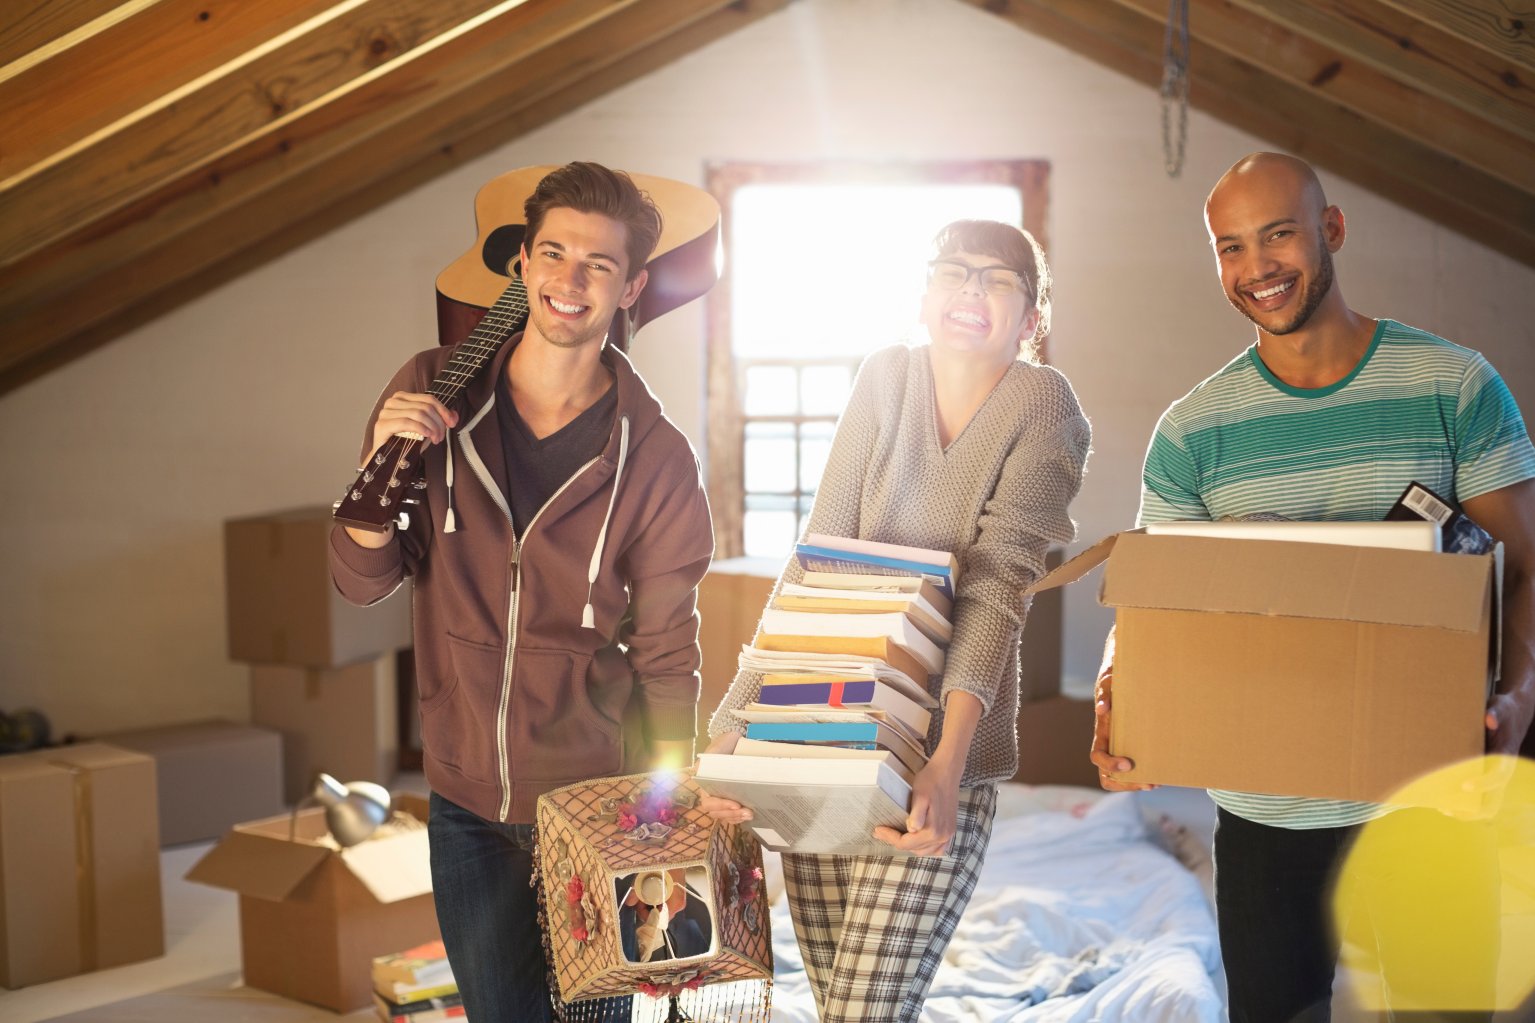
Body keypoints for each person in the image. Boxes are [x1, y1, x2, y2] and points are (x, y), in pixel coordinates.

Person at [1090, 152, 1535, 1022]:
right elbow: (1157, 607)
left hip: (1429, 790)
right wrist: (1120, 694)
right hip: (1265, 807)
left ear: (1330, 230)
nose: (1255, 268)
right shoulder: (1192, 431)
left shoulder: (1451, 385)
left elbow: (1525, 571)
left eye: (1277, 235)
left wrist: (1518, 698)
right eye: (1229, 247)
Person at [328, 161, 714, 1023]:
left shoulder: (654, 458)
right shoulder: (432, 389)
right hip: (464, 798)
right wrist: (376, 471)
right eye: (553, 253)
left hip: (593, 800)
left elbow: (665, 649)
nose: (568, 280)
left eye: (598, 264)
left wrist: (668, 795)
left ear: (631, 287)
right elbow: (362, 579)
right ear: (522, 266)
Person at [701, 219, 1092, 1021]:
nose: (972, 290)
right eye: (954, 272)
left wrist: (946, 765)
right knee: (836, 1001)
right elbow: (816, 557)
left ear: (1032, 318)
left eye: (998, 279)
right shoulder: (884, 378)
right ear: (924, 294)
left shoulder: (1043, 404)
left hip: (933, 758)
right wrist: (735, 720)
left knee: (862, 1012)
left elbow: (996, 588)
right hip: (822, 733)